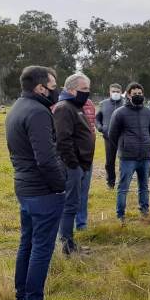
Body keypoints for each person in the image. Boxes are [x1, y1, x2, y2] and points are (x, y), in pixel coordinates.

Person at [5, 65, 69, 300]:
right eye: (54, 87)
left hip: (25, 188)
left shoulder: (17, 108)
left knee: (28, 243)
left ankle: (22, 295)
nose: (57, 92)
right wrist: (60, 185)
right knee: (41, 248)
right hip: (43, 191)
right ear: (41, 88)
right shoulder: (39, 113)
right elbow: (46, 158)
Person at [52, 73, 95, 255]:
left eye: (88, 89)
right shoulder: (64, 108)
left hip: (81, 165)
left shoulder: (76, 106)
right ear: (71, 89)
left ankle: (68, 242)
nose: (87, 93)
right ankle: (66, 245)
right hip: (73, 166)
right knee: (70, 205)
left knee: (74, 203)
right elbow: (63, 141)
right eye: (84, 89)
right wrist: (74, 166)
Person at [108, 82, 150, 223]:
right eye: (134, 94)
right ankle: (120, 214)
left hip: (145, 156)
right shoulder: (120, 113)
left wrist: (148, 143)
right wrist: (123, 147)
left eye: (140, 94)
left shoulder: (148, 112)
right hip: (128, 157)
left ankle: (144, 211)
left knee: (144, 186)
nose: (137, 96)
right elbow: (112, 135)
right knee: (123, 187)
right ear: (128, 95)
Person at [96, 84, 124, 189]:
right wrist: (100, 127)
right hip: (108, 138)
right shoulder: (103, 104)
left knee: (123, 161)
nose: (115, 93)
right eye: (113, 91)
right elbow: (97, 118)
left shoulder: (126, 103)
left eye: (117, 91)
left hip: (123, 137)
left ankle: (123, 183)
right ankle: (110, 183)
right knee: (109, 162)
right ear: (109, 92)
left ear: (121, 92)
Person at [75, 95, 96, 230]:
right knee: (70, 192)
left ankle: (81, 223)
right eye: (82, 89)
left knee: (84, 191)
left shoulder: (90, 104)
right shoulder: (62, 105)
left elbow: (92, 129)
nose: (85, 92)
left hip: (88, 155)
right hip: (71, 156)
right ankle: (66, 225)